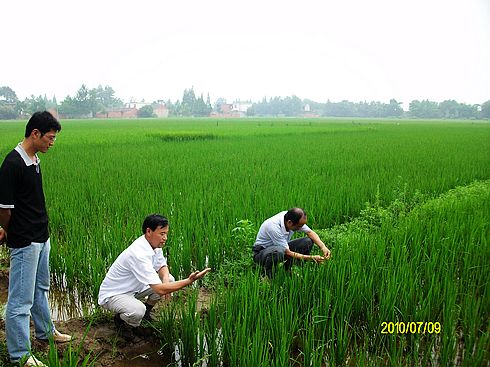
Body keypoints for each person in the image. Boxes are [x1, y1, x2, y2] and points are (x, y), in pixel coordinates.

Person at [0, 111, 72, 367]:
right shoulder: (12, 164)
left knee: (41, 289)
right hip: (25, 240)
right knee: (20, 300)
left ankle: (45, 331)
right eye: (50, 138)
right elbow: (5, 209)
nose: (52, 142)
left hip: (42, 236)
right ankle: (20, 355)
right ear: (35, 134)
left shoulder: (35, 159)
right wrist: (8, 230)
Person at [98, 214, 211, 334]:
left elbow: (162, 266)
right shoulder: (138, 253)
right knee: (137, 311)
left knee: (169, 279)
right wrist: (189, 281)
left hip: (134, 288)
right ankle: (121, 321)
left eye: (166, 234)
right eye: (162, 234)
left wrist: (166, 283)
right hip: (114, 294)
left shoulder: (154, 246)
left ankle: (147, 312)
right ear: (148, 231)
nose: (165, 238)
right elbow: (160, 290)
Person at [252, 208, 331, 277]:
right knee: (278, 251)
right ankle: (267, 276)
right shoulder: (273, 226)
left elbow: (310, 232)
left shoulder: (291, 217)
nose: (301, 228)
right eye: (299, 226)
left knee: (308, 241)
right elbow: (287, 252)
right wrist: (311, 258)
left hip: (281, 248)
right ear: (290, 222)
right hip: (262, 253)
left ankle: (287, 270)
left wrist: (323, 247)